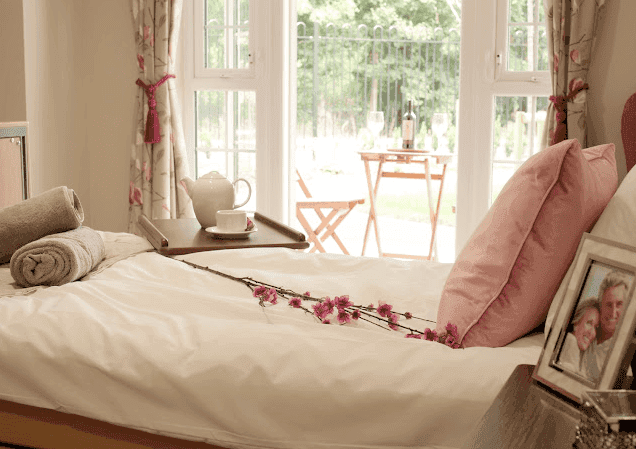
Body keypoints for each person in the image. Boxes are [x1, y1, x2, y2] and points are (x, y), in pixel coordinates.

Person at [581, 271, 631, 383]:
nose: (613, 313)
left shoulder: (625, 348)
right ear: (600, 305)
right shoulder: (586, 326)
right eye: (608, 305)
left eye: (619, 304)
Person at [559, 298, 600, 374]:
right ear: (576, 323)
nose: (592, 332)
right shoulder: (570, 340)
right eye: (589, 323)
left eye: (595, 327)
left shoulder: (584, 355)